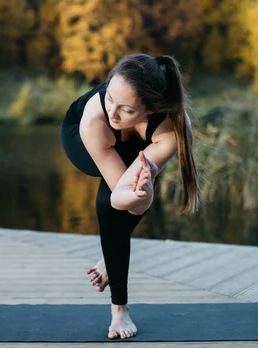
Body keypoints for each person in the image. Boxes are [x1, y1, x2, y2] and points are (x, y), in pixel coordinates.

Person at [60, 53, 201, 339]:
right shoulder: (98, 118)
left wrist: (143, 195)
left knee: (135, 188)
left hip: (137, 142)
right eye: (110, 97)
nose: (114, 112)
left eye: (125, 109)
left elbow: (135, 204)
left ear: (153, 108)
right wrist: (135, 196)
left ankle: (119, 309)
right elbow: (117, 198)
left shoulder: (172, 130)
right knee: (109, 204)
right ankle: (118, 303)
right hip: (82, 139)